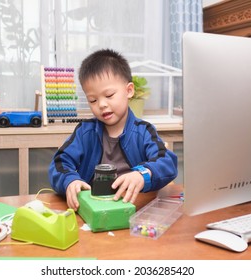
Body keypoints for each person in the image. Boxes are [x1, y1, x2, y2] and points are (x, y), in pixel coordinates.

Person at [48, 49, 178, 211]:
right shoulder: (84, 132)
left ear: (129, 90)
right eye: (93, 100)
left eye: (109, 95)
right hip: (93, 209)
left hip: (134, 208)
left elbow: (167, 162)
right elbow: (59, 163)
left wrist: (142, 175)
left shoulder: (144, 131)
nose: (101, 104)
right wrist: (70, 181)